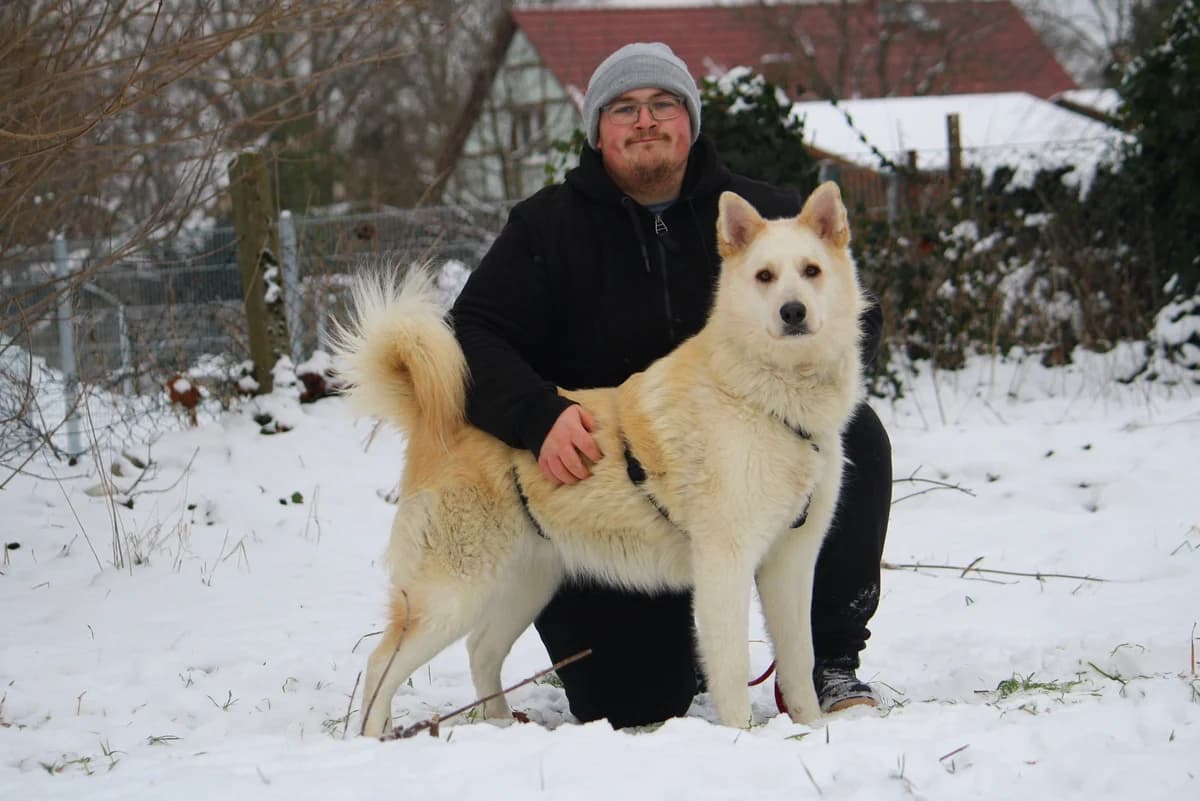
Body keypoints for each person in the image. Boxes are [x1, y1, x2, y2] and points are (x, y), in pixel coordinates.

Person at [449, 42, 891, 729]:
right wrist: (537, 416)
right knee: (634, 704)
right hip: (607, 488)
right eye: (624, 108)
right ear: (597, 130)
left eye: (663, 104)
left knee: (857, 437)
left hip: (748, 449)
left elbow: (850, 305)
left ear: (690, 121)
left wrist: (810, 383)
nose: (646, 120)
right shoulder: (546, 227)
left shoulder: (766, 214)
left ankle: (828, 658)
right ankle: (683, 651)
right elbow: (471, 334)